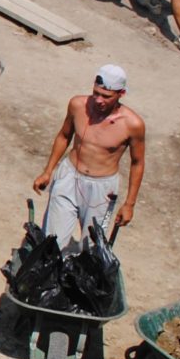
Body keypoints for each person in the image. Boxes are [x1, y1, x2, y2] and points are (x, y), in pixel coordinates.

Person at [32, 65, 146, 248]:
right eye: (96, 93)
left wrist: (129, 204)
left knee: (91, 248)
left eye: (106, 96)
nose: (99, 100)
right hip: (68, 177)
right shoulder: (78, 105)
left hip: (102, 190)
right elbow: (64, 136)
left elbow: (137, 163)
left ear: (121, 93)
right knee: (51, 243)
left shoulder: (133, 124)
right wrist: (48, 171)